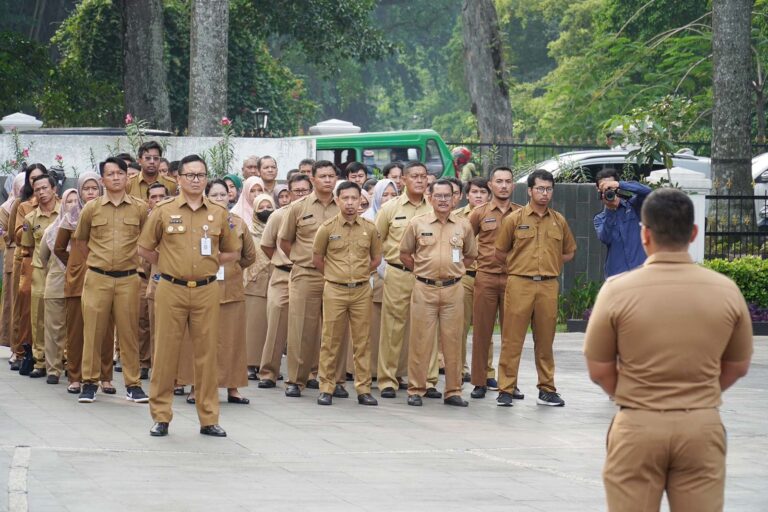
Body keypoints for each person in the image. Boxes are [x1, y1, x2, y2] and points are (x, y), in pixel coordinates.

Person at [584, 188, 753, 512]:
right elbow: (738, 365)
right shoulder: (726, 290)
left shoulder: (617, 291)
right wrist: (699, 395)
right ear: (693, 232)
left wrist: (639, 396)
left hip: (638, 424)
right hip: (701, 427)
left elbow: (599, 369)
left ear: (644, 234)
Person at [138, 154, 239, 437]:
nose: (196, 180)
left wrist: (209, 265)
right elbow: (145, 248)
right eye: (191, 175)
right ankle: (161, 415)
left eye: (201, 175)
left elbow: (232, 251)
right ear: (179, 178)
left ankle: (209, 418)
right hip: (171, 288)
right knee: (165, 354)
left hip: (206, 289)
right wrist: (170, 262)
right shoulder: (164, 210)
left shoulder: (219, 213)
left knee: (207, 355)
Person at [494, 169, 576, 407]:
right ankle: (506, 389)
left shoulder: (558, 220)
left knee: (546, 339)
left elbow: (569, 252)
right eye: (540, 188)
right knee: (512, 338)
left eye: (549, 189)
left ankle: (547, 388)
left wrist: (549, 263)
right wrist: (520, 265)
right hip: (519, 282)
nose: (544, 193)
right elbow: (500, 252)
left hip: (548, 285)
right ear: (529, 190)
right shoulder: (515, 219)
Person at [74, 157, 149, 404]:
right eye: (110, 173)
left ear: (127, 177)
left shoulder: (139, 208)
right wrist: (98, 262)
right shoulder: (92, 208)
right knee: (93, 331)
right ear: (102, 179)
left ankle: (133, 384)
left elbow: (147, 241)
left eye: (120, 173)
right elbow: (81, 242)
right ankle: (89, 382)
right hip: (97, 278)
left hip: (128, 279)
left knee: (129, 333)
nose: (116, 177)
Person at [399, 179, 477, 407]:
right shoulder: (417, 223)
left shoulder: (463, 225)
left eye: (448, 196)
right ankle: (416, 389)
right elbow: (405, 254)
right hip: (424, 289)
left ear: (455, 198)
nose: (443, 200)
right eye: (439, 196)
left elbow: (471, 254)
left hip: (453, 290)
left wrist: (457, 270)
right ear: (430, 197)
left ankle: (453, 391)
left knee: (453, 341)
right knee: (420, 340)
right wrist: (422, 272)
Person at [313, 181, 381, 406]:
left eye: (355, 198)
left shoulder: (370, 228)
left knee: (362, 341)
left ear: (361, 201)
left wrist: (360, 274)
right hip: (334, 289)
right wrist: (336, 275)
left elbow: (376, 259)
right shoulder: (327, 228)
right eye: (346, 198)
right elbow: (317, 260)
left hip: (362, 290)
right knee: (330, 340)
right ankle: (327, 387)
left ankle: (363, 389)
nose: (350, 203)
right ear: (337, 200)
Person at [279, 160, 339, 398]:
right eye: (322, 176)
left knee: (335, 330)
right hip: (305, 274)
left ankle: (332, 379)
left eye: (331, 175)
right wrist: (301, 258)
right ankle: (296, 379)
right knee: (301, 328)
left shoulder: (343, 206)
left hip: (336, 276)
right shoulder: (298, 207)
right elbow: (285, 241)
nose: (327, 180)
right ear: (312, 179)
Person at [376, 161, 433, 399]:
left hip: (428, 277)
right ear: (404, 180)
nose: (419, 180)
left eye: (423, 176)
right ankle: (388, 379)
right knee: (393, 327)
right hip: (398, 273)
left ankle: (426, 380)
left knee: (428, 327)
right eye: (414, 176)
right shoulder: (390, 208)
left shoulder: (435, 207)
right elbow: (375, 241)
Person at [55, 173, 113, 395]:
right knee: (76, 331)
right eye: (86, 188)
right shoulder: (71, 215)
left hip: (106, 279)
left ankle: (105, 377)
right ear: (79, 191)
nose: (91, 192)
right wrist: (75, 265)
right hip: (78, 282)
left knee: (106, 330)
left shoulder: (107, 212)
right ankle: (76, 377)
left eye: (94, 188)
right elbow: (59, 247)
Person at [468, 168, 522, 399]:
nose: (503, 186)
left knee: (512, 334)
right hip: (486, 278)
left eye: (507, 182)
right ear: (490, 185)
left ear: (513, 186)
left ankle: (509, 383)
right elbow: (464, 241)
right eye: (498, 181)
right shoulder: (479, 213)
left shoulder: (522, 213)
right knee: (482, 331)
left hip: (514, 278)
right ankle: (479, 381)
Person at [204, 179, 257, 404]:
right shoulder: (200, 223)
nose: (219, 199)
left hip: (232, 290)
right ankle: (199, 387)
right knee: (203, 341)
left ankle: (233, 388)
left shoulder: (239, 223)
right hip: (204, 289)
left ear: (230, 197)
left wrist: (232, 269)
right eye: (214, 195)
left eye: (223, 195)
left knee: (233, 341)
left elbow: (249, 256)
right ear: (206, 198)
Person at [257, 174, 310, 389]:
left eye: (305, 190)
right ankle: (269, 372)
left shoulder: (318, 215)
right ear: (288, 194)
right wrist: (283, 261)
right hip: (282, 274)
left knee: (311, 323)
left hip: (309, 274)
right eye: (296, 191)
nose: (301, 195)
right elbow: (267, 245)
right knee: (277, 318)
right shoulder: (279, 215)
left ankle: (312, 373)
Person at [452, 177, 491, 383]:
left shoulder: (497, 216)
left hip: (488, 276)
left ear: (489, 194)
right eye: (474, 192)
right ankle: (460, 369)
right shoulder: (457, 217)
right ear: (467, 195)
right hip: (465, 276)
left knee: (485, 327)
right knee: (461, 326)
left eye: (483, 192)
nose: (478, 196)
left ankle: (486, 371)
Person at [21, 174, 61, 378]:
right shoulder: (30, 219)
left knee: (64, 317)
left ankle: (64, 358)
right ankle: (40, 360)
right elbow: (26, 249)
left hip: (61, 271)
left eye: (45, 188)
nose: (42, 192)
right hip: (39, 272)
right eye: (37, 189)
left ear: (54, 189)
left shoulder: (66, 212)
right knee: (38, 318)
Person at [12, 163, 48, 374]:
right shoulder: (24, 206)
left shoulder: (60, 206)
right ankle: (24, 351)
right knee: (27, 309)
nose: (38, 186)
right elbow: (17, 235)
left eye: (41, 181)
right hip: (29, 262)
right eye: (33, 180)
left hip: (54, 265)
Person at [40, 188, 79, 383]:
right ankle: (53, 369)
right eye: (68, 201)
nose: (72, 205)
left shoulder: (85, 228)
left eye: (75, 201)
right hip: (56, 283)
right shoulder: (51, 230)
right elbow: (43, 257)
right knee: (54, 328)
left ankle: (72, 366)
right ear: (62, 204)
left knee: (75, 329)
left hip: (79, 285)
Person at [593, 168, 652, 277]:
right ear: (598, 190)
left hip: (641, 273)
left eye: (610, 187)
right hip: (617, 275)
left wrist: (620, 184)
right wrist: (610, 210)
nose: (608, 190)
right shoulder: (600, 218)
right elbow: (605, 238)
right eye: (604, 188)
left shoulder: (634, 206)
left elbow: (649, 192)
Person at [242, 192, 275, 381]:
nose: (265, 211)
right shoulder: (248, 230)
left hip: (276, 281)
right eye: (261, 208)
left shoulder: (279, 228)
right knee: (254, 326)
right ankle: (250, 364)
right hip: (254, 283)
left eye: (269, 207)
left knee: (272, 326)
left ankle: (269, 366)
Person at [0, 174, 24, 352]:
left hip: (29, 256)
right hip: (12, 255)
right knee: (12, 300)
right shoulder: (6, 207)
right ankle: (11, 340)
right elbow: (5, 235)